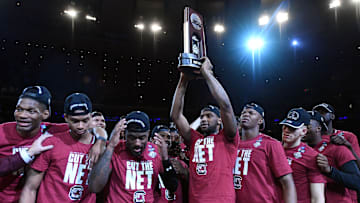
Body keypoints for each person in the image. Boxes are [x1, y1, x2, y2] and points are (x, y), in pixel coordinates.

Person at [170, 57, 239, 202]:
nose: (203, 119)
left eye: (209, 116)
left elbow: (225, 106)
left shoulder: (228, 137)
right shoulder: (194, 139)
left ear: (220, 120)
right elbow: (175, 116)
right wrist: (183, 80)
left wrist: (207, 74)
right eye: (202, 116)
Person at [20, 93, 104, 203]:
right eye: (75, 121)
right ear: (66, 118)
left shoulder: (101, 147)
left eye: (85, 120)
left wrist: (101, 141)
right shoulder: (51, 143)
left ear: (91, 118)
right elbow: (30, 188)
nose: (80, 126)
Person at [89, 111, 178, 203]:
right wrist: (110, 146)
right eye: (132, 137)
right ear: (124, 134)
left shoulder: (154, 151)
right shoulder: (114, 149)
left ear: (148, 134)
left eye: (142, 138)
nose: (137, 143)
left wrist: (165, 160)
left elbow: (172, 186)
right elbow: (94, 187)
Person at [0, 86, 69, 203]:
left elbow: (89, 125)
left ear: (45, 114)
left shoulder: (53, 132)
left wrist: (100, 138)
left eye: (31, 111)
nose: (22, 115)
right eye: (19, 109)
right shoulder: (2, 131)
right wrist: (29, 153)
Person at [233, 102, 296, 203]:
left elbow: (287, 182)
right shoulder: (232, 145)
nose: (245, 114)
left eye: (251, 113)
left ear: (260, 120)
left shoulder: (271, 144)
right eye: (243, 112)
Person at [305, 110, 360, 202]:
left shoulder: (336, 148)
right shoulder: (299, 151)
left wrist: (330, 171)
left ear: (318, 128)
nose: (303, 128)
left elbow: (357, 182)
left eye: (307, 125)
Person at [281, 108, 326, 203]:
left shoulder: (311, 156)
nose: (287, 131)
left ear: (304, 131)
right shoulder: (273, 149)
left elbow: (318, 198)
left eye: (292, 128)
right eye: (285, 126)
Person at [313, 103, 360, 167]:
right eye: (316, 113)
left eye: (322, 112)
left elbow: (358, 165)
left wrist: (349, 147)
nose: (319, 115)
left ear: (332, 116)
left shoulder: (349, 136)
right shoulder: (311, 138)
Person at [151, 125, 189, 203]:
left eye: (168, 137)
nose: (166, 139)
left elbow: (193, 186)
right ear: (152, 140)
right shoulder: (146, 161)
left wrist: (184, 171)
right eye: (162, 136)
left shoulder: (178, 163)